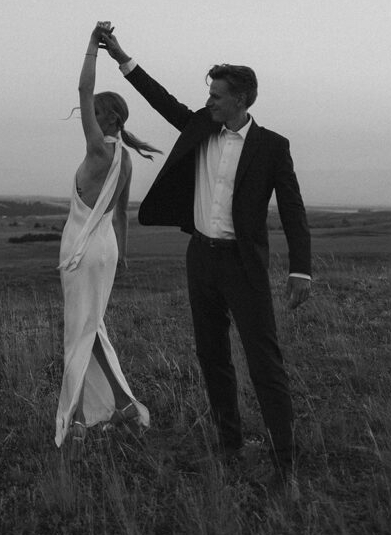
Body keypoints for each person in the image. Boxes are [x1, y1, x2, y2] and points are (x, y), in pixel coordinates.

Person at [99, 29, 311, 486]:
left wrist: (300, 268)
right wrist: (121, 57)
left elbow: (293, 209)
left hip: (244, 265)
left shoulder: (273, 146)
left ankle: (285, 458)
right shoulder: (200, 125)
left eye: (217, 95)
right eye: (209, 93)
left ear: (241, 100)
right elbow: (162, 101)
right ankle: (229, 444)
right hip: (201, 259)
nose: (209, 101)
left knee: (264, 361)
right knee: (211, 355)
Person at [55, 22, 160, 460]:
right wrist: (125, 256)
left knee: (77, 334)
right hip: (107, 252)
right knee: (89, 329)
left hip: (83, 251)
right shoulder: (126, 160)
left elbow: (83, 88)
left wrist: (91, 48)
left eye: (92, 113)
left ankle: (77, 421)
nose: (85, 116)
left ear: (110, 119)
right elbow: (121, 216)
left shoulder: (100, 151)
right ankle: (123, 408)